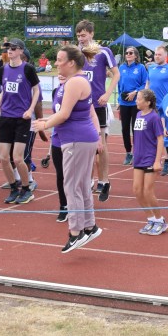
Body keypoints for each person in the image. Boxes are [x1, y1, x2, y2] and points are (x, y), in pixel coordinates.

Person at [33, 45, 105, 252]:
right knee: (80, 185)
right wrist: (47, 120)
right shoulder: (74, 81)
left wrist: (45, 125)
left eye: (59, 59)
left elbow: (64, 114)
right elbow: (67, 112)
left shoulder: (75, 82)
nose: (56, 63)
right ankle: (89, 226)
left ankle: (76, 232)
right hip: (78, 138)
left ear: (71, 63)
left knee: (72, 186)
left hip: (77, 139)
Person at [0, 38, 40, 204]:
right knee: (4, 158)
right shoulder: (4, 69)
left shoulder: (28, 69)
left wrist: (30, 110)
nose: (9, 51)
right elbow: (4, 91)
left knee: (18, 158)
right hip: (6, 117)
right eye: (8, 48)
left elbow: (36, 90)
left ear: (21, 51)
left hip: (22, 118)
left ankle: (26, 189)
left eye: (13, 48)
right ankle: (13, 188)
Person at [75, 20, 118, 200]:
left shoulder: (103, 52)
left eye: (84, 35)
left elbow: (116, 74)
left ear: (92, 34)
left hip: (98, 105)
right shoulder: (76, 53)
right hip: (80, 106)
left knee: (100, 146)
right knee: (84, 147)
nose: (81, 38)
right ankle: (88, 180)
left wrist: (108, 94)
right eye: (78, 35)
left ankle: (104, 181)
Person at [131, 88, 167, 236]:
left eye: (139, 99)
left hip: (150, 157)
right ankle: (150, 218)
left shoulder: (154, 118)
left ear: (148, 102)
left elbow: (160, 139)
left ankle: (160, 220)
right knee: (137, 190)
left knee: (148, 191)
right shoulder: (138, 114)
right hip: (138, 157)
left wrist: (157, 161)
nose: (136, 101)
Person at [117, 46, 148, 166]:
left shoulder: (140, 68)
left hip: (136, 103)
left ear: (135, 55)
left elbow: (145, 83)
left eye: (131, 53)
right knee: (124, 128)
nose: (128, 55)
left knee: (136, 128)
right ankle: (128, 152)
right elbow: (119, 85)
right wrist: (119, 100)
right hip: (124, 102)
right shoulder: (121, 67)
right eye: (127, 53)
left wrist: (135, 92)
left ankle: (137, 152)